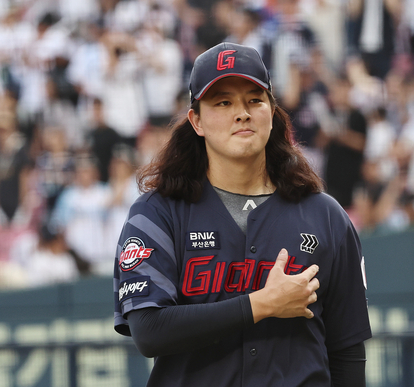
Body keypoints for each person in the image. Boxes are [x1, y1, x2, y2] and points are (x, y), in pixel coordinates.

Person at [113, 42, 371, 387]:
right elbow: (150, 331)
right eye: (223, 102)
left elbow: (347, 351)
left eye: (254, 100)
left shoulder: (326, 215)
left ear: (271, 111)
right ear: (197, 120)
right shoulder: (157, 212)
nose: (242, 113)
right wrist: (263, 303)